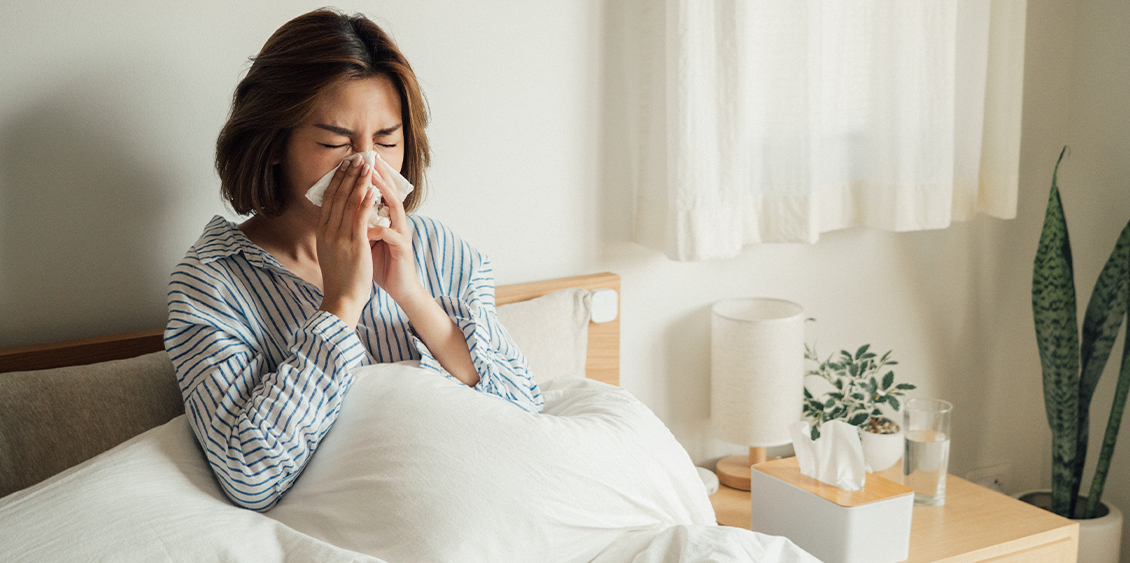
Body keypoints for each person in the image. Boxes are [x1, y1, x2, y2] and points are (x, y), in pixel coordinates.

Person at [165, 9, 542, 512]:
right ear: (275, 144)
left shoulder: (442, 252)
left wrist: (412, 296)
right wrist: (340, 304)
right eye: (335, 143)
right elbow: (248, 476)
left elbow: (527, 417)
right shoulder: (213, 283)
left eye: (387, 141)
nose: (366, 167)